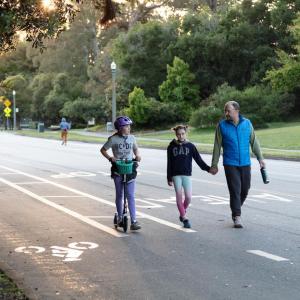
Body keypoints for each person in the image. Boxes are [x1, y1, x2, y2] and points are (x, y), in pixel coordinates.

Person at [210, 101, 265, 228]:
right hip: (230, 162)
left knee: (245, 189)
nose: (226, 113)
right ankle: (237, 215)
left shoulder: (247, 123)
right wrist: (214, 164)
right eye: (225, 111)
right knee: (235, 190)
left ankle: (235, 207)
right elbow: (217, 146)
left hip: (245, 162)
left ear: (236, 110)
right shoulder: (222, 126)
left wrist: (260, 158)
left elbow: (254, 142)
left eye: (228, 110)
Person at [100, 116, 142, 231]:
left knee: (130, 195)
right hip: (118, 168)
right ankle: (119, 217)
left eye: (129, 126)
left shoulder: (132, 138)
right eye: (126, 126)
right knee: (120, 194)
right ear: (120, 128)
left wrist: (138, 155)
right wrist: (110, 158)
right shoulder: (113, 139)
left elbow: (136, 149)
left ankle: (134, 221)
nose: (129, 128)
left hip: (130, 167)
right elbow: (103, 150)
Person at [167, 125, 211, 228]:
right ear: (176, 134)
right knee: (179, 198)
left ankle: (183, 210)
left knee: (188, 197)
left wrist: (208, 169)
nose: (180, 136)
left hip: (186, 175)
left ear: (185, 133)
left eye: (182, 134)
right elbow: (169, 163)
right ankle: (184, 218)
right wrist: (169, 178)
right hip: (175, 175)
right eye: (178, 134)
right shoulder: (171, 147)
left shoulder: (190, 146)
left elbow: (199, 160)